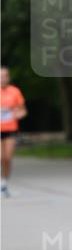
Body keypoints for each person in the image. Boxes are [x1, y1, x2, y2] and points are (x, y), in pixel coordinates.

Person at [0, 67, 27, 197]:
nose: (2, 78)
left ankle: (4, 183)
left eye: (4, 76)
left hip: (10, 129)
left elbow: (23, 110)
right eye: (0, 76)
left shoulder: (15, 92)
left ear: (8, 77)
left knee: (7, 158)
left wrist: (18, 114)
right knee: (0, 157)